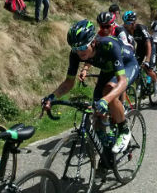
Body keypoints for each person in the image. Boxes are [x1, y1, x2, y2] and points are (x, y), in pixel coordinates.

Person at [42, 19, 139, 160]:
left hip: (128, 65)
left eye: (82, 48)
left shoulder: (109, 45)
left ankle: (124, 130)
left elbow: (122, 82)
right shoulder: (75, 54)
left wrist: (105, 100)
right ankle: (106, 154)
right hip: (108, 70)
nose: (79, 52)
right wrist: (52, 97)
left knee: (108, 91)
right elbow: (68, 83)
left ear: (93, 42)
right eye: (75, 48)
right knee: (97, 115)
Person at [121, 11, 157, 95]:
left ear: (133, 23)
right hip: (140, 48)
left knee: (148, 69)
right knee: (135, 67)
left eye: (128, 23)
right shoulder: (126, 29)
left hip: (150, 47)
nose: (126, 25)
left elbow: (148, 43)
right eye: (125, 23)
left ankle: (156, 81)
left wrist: (147, 59)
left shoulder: (140, 28)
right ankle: (139, 85)